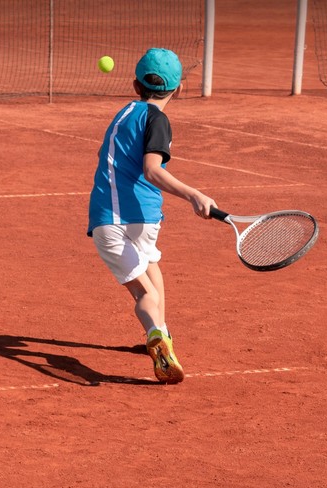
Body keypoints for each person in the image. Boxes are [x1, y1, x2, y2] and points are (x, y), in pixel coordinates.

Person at [87, 48, 217, 384]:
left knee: (145, 282)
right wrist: (193, 194)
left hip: (106, 221)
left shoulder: (121, 114)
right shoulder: (157, 119)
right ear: (179, 89)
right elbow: (151, 170)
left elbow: (105, 154)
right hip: (143, 218)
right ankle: (159, 334)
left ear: (135, 86)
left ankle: (159, 335)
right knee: (150, 281)